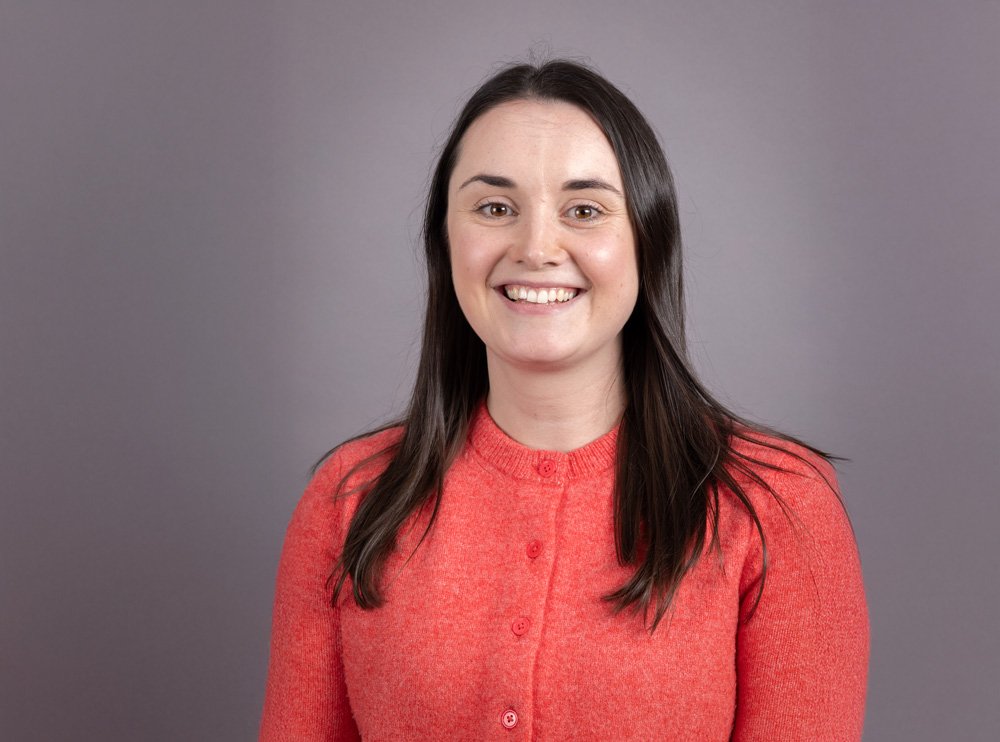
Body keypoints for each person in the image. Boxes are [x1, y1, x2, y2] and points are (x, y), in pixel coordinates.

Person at [259, 59, 869, 741]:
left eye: (585, 211)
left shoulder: (778, 506)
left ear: (648, 240)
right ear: (444, 240)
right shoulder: (348, 500)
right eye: (495, 208)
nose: (537, 248)